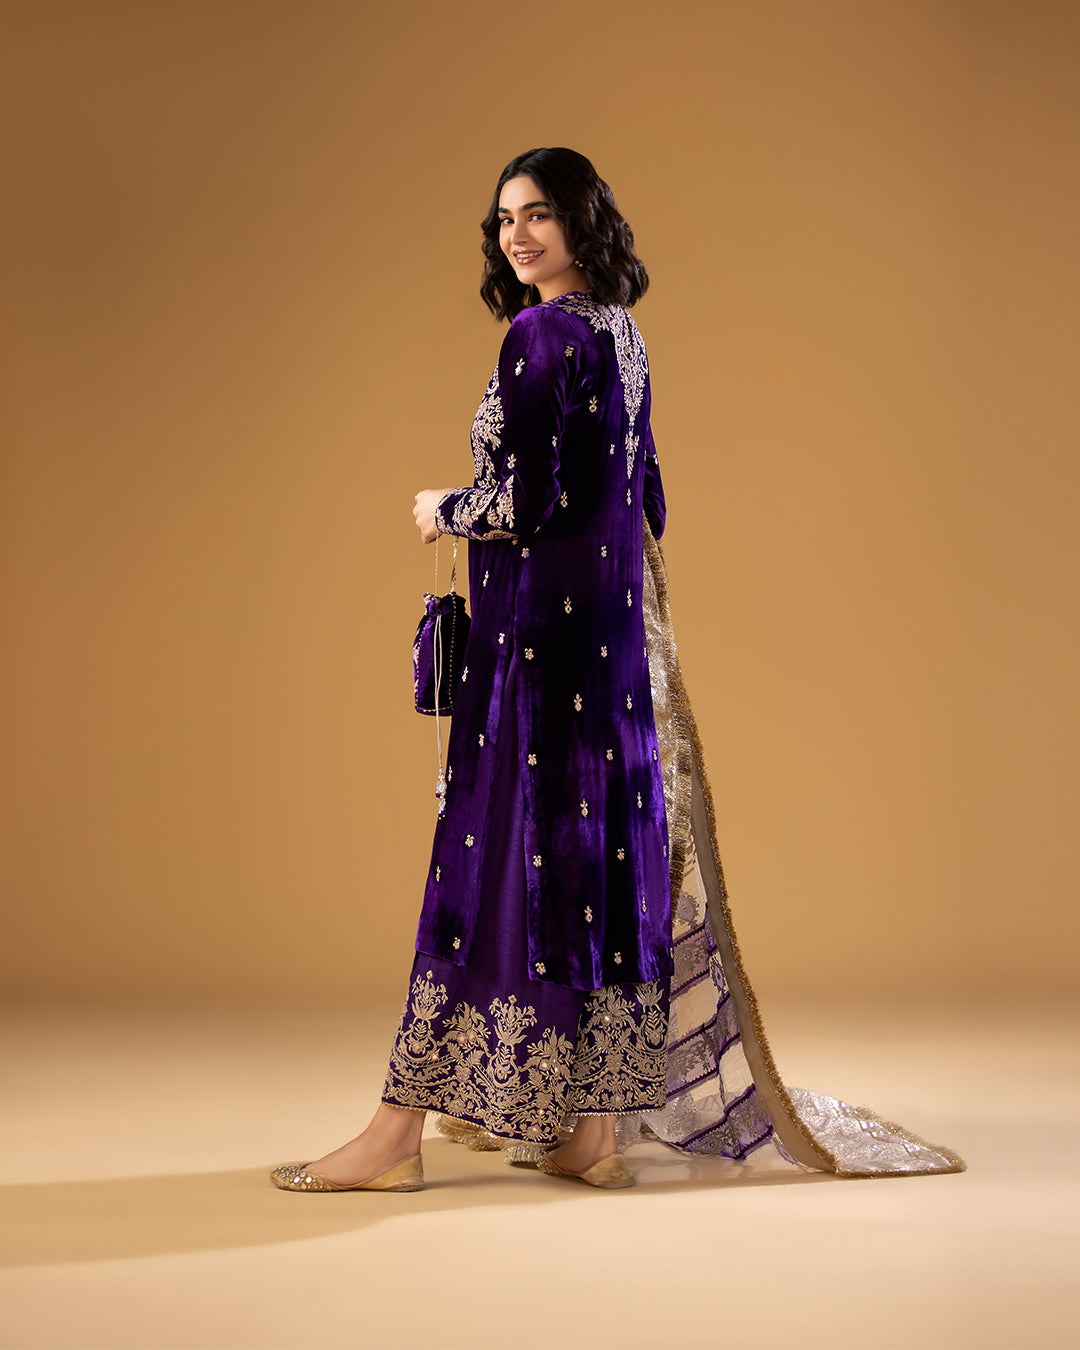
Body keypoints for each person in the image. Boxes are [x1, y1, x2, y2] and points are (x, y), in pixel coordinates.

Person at [270, 149, 964, 1195]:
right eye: (505, 219)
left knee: (488, 861)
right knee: (594, 866)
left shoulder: (541, 333)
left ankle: (392, 1139)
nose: (517, 236)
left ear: (582, 221)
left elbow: (531, 501)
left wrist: (445, 509)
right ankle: (592, 1136)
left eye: (539, 214)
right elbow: (648, 501)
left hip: (535, 649)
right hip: (609, 648)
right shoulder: (621, 333)